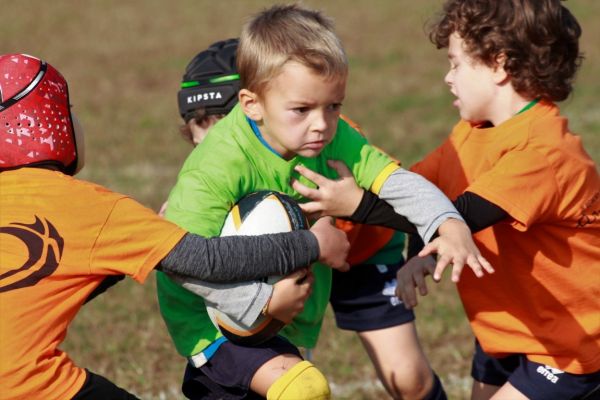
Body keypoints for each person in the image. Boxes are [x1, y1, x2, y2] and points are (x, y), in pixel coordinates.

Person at [157, 4, 492, 399]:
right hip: (212, 320)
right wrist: (262, 302)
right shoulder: (217, 163)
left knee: (403, 379)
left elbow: (398, 182)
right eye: (302, 109)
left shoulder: (328, 135)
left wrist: (447, 222)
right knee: (304, 387)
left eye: (334, 106)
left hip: (293, 299)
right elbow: (180, 259)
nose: (322, 124)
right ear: (251, 105)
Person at [292, 1, 600, 399]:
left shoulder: (544, 152)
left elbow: (461, 215)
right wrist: (418, 255)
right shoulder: (472, 132)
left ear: (500, 65)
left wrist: (356, 206)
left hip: (568, 344)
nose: (447, 77)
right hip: (506, 325)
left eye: (456, 64)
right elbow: (423, 191)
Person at [0, 53, 352, 400]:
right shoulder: (87, 207)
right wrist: (311, 244)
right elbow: (205, 259)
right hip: (28, 386)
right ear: (49, 120)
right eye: (70, 108)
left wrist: (153, 234)